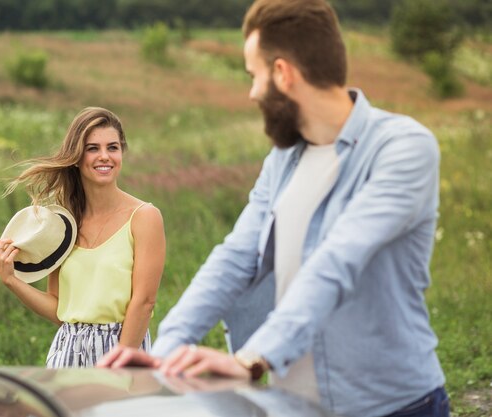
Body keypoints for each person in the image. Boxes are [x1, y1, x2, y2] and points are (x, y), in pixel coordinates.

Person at [97, 1, 449, 416]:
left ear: (282, 74)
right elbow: (236, 258)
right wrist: (167, 351)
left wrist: (252, 357)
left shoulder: (402, 149)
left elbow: (336, 262)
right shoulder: (283, 160)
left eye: (254, 76)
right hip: (295, 406)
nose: (252, 93)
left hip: (393, 406)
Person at [0, 107, 166, 368]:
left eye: (113, 147)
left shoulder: (144, 217)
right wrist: (11, 281)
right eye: (93, 148)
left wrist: (117, 368)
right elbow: (58, 308)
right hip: (67, 352)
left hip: (122, 351)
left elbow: (144, 303)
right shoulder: (63, 226)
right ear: (76, 157)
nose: (104, 156)